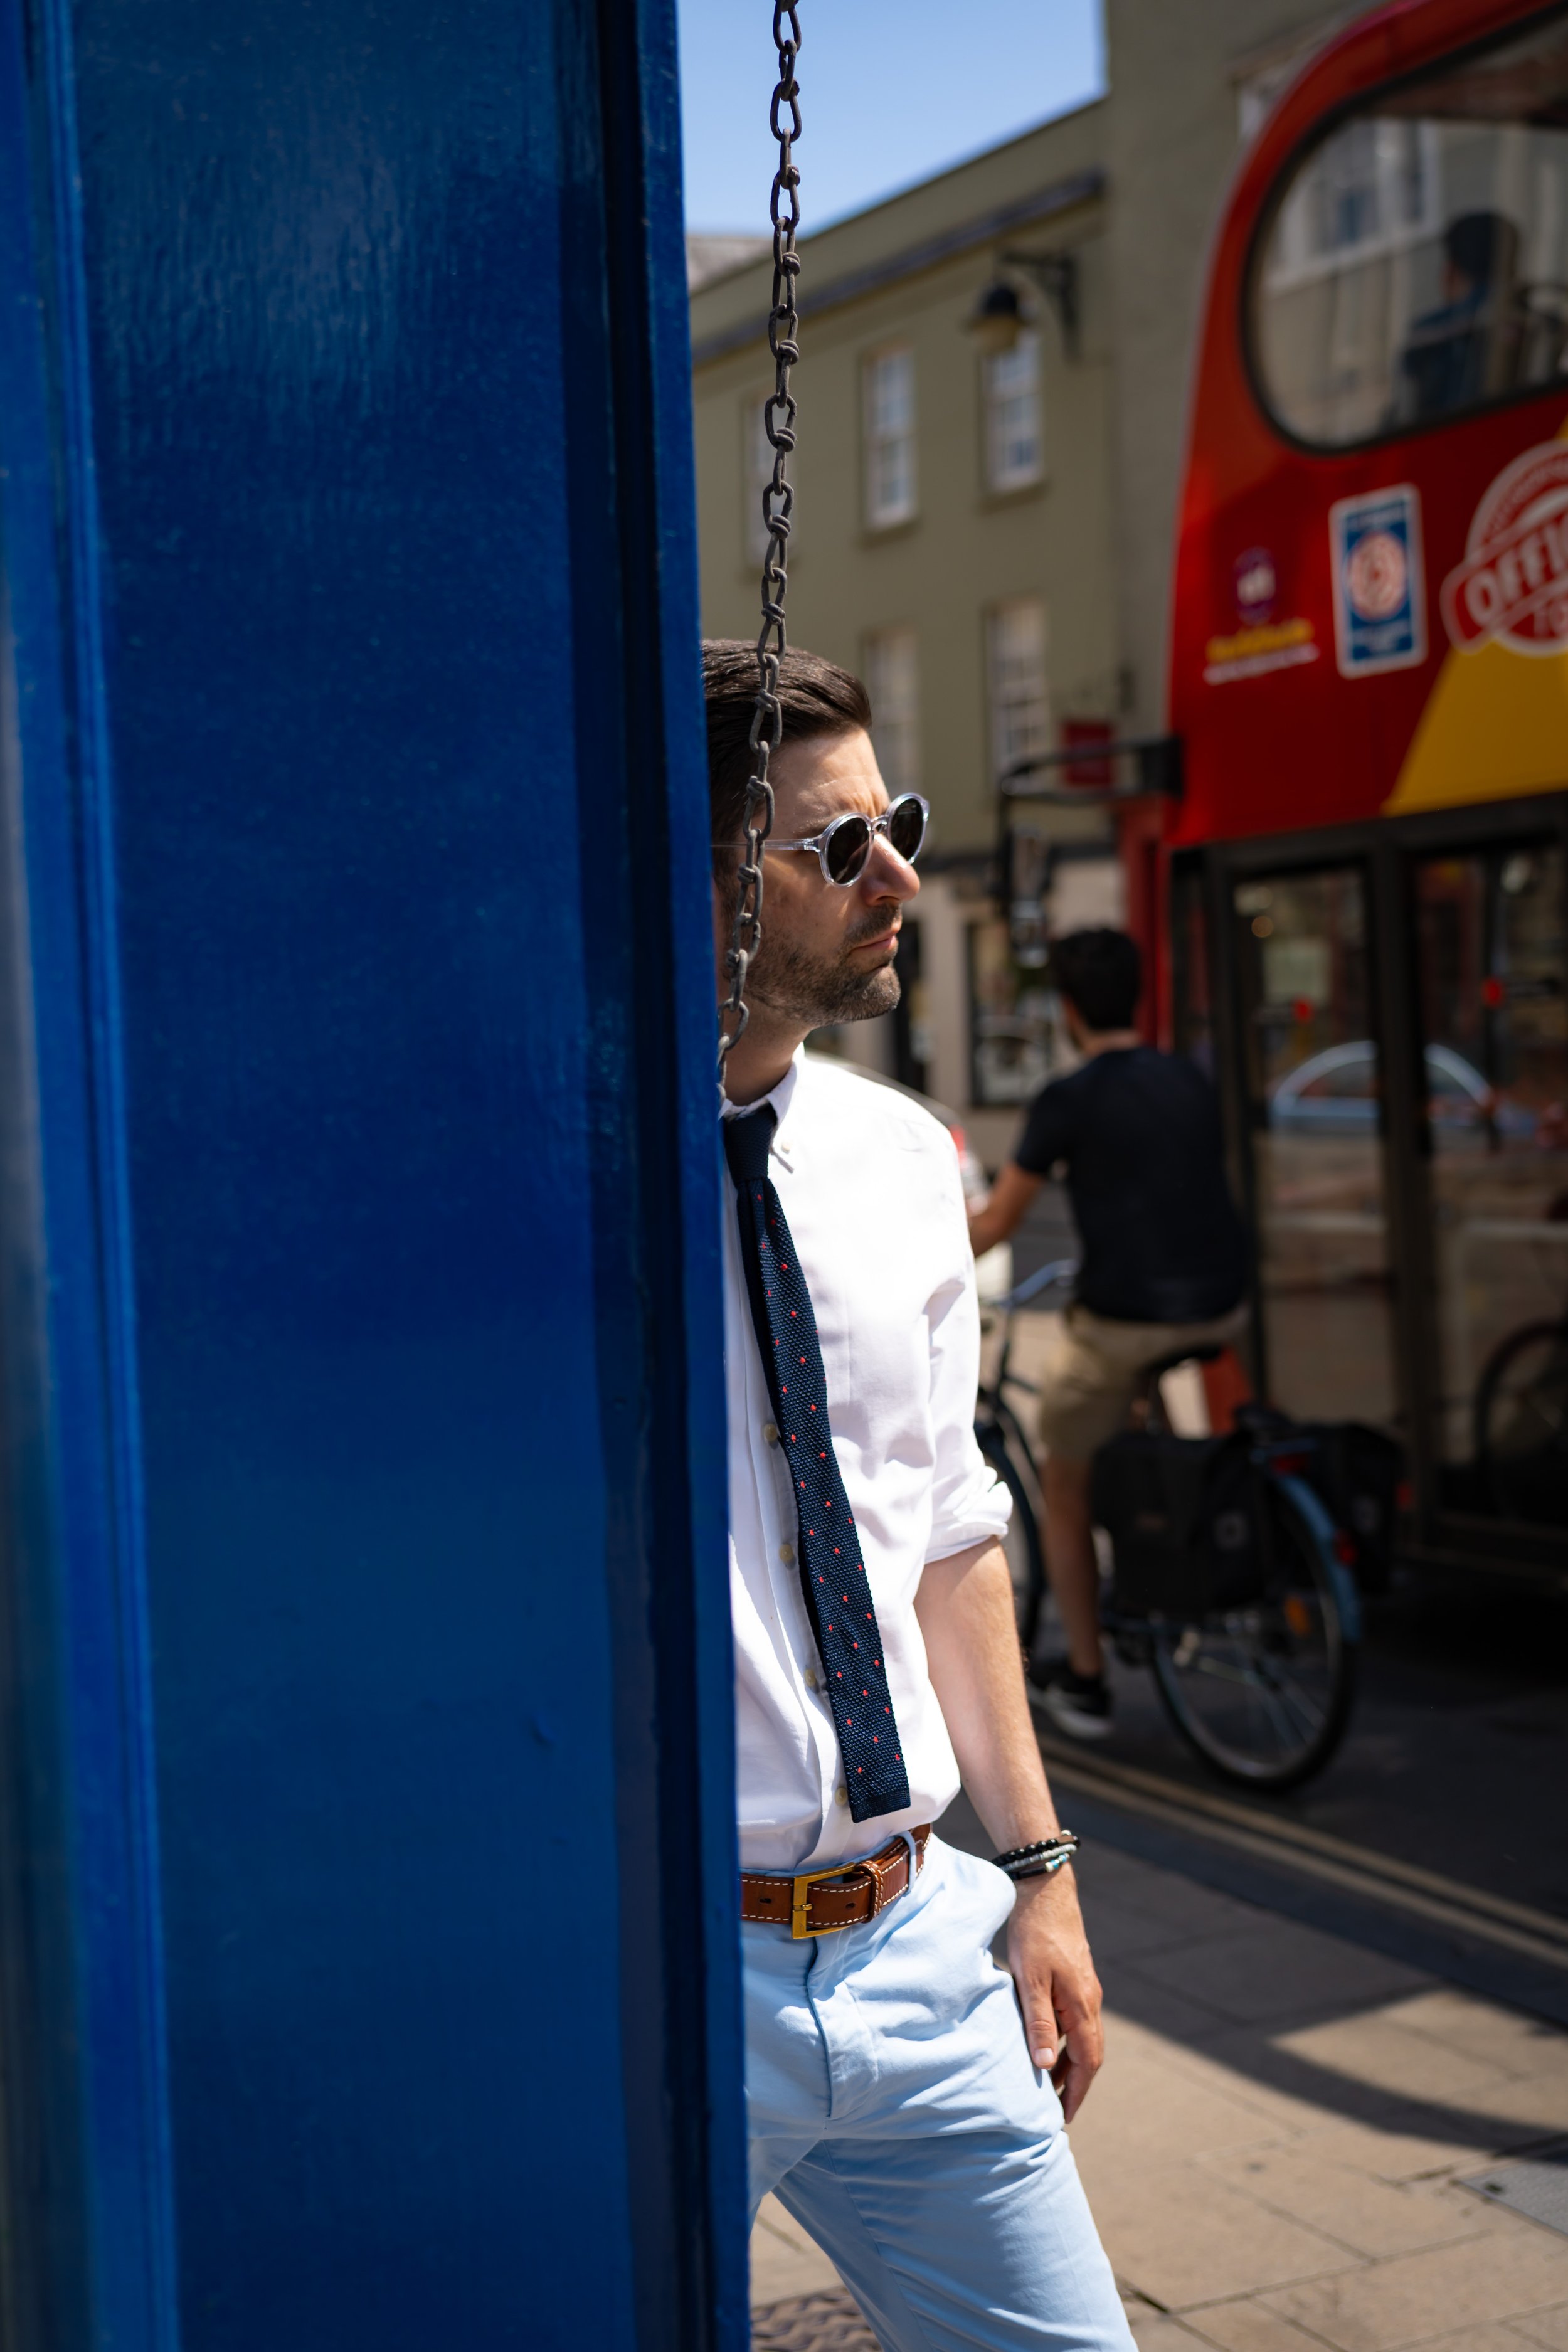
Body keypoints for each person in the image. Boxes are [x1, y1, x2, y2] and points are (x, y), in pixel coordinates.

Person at [707, 640, 1132, 2352]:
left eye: (899, 824)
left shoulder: (899, 1155)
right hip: (662, 1971)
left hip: (917, 1939)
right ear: (700, 878)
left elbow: (951, 1525)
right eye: (838, 846)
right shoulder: (537, 1179)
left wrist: (1038, 1871)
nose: (895, 874)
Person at [967, 929, 1248, 1742]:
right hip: (1220, 1304)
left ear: (1068, 1010)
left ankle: (1087, 1678)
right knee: (1123, 1408)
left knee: (1063, 1481)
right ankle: (1154, 1550)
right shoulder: (1187, 1078)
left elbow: (997, 1222)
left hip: (1126, 1321)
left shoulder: (1069, 1098)